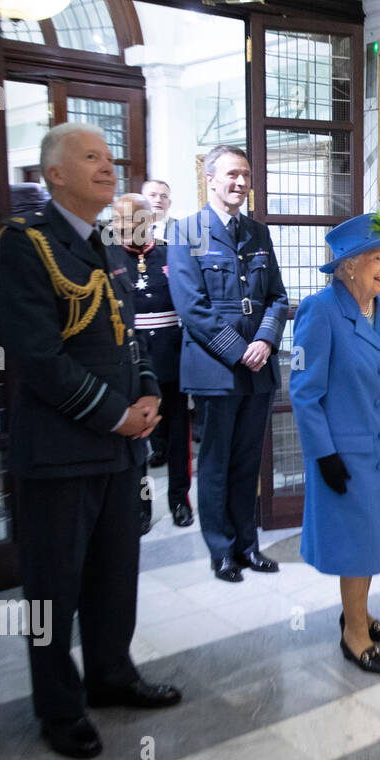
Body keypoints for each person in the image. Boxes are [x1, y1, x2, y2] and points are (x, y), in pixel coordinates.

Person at [0, 122, 181, 760]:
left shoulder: (105, 244)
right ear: (56, 175)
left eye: (109, 156)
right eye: (91, 158)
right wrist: (114, 415)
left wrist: (149, 391)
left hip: (118, 451)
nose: (108, 166)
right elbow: (38, 359)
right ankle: (59, 707)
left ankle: (111, 675)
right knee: (54, 590)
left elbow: (127, 337)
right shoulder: (25, 245)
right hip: (61, 455)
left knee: (113, 577)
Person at [289, 212, 380, 674]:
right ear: (347, 266)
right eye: (375, 258)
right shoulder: (320, 311)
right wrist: (323, 455)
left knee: (374, 540)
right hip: (345, 452)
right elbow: (303, 390)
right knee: (356, 544)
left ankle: (358, 614)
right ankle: (354, 636)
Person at [168, 145, 288, 582]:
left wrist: (265, 340)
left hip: (259, 370)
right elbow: (192, 308)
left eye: (246, 175)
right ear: (211, 180)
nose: (240, 182)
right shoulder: (187, 231)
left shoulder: (257, 232)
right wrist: (240, 350)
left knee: (247, 463)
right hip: (216, 370)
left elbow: (277, 296)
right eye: (232, 175)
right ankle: (221, 550)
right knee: (216, 464)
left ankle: (247, 545)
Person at [109, 192, 192, 533]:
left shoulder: (171, 252)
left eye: (134, 218)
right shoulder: (105, 255)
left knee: (176, 437)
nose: (127, 226)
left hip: (171, 356)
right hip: (128, 361)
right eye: (119, 220)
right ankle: (139, 506)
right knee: (136, 439)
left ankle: (179, 501)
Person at [142, 178, 177, 469]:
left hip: (173, 330)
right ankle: (153, 446)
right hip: (139, 335)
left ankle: (167, 447)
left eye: (164, 196)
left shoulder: (182, 232)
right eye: (152, 195)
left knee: (172, 397)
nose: (158, 200)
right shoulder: (119, 235)